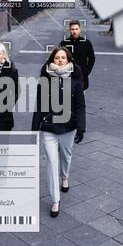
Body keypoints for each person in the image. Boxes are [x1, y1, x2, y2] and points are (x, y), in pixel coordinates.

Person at [31, 47, 85, 218]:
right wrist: (34, 128)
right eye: (57, 58)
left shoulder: (75, 81)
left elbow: (80, 106)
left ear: (68, 60)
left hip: (69, 126)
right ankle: (55, 199)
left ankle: (65, 176)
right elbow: (39, 105)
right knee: (52, 162)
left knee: (66, 156)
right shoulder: (45, 80)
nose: (60, 60)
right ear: (52, 60)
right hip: (49, 127)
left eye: (63, 58)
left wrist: (81, 127)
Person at [60, 20, 96, 91]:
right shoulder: (64, 43)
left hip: (82, 77)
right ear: (69, 30)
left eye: (76, 29)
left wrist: (87, 71)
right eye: (72, 29)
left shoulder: (86, 43)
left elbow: (92, 58)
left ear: (80, 30)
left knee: (80, 100)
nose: (74, 31)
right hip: (67, 77)